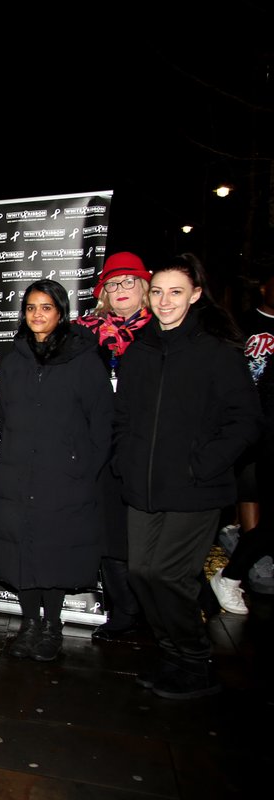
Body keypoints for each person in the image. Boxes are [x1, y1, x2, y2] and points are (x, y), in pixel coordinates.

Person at [114, 254, 261, 699]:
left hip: (195, 488)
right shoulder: (140, 350)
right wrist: (125, 459)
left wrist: (204, 463)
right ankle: (171, 654)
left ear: (195, 295)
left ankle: (194, 660)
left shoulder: (217, 352)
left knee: (169, 576)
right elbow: (123, 416)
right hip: (142, 486)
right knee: (140, 572)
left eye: (175, 292)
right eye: (156, 291)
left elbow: (247, 421)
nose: (164, 301)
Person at [0, 280, 114, 661]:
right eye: (30, 308)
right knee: (21, 549)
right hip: (17, 470)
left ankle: (53, 628)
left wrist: (82, 466)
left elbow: (103, 421)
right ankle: (28, 626)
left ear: (61, 311)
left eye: (45, 307)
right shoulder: (13, 358)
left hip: (63, 475)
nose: (37, 314)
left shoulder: (83, 359)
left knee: (53, 551)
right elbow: (4, 413)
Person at [71, 252, 153, 639]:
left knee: (149, 533)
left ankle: (158, 609)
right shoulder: (83, 333)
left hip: (147, 447)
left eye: (129, 282)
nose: (121, 289)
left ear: (145, 288)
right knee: (108, 533)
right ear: (102, 291)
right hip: (97, 447)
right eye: (113, 283)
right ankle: (123, 611)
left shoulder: (161, 332)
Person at [211, 265, 274, 612]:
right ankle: (242, 564)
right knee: (250, 491)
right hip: (254, 428)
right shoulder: (244, 324)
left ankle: (241, 562)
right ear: (264, 287)